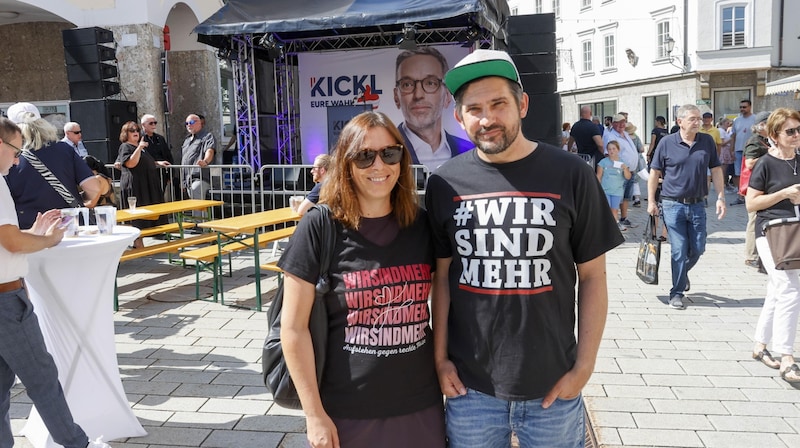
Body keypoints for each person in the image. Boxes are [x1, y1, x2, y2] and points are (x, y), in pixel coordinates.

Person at [426, 49, 623, 447]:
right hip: (471, 390)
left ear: (523, 104)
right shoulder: (444, 184)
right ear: (460, 118)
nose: (487, 119)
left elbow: (593, 276)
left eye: (498, 104)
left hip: (552, 386)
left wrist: (584, 366)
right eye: (474, 109)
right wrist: (440, 357)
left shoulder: (572, 175)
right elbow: (442, 278)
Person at [279, 111, 444, 448]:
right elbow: (292, 328)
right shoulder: (319, 227)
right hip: (346, 411)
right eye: (364, 156)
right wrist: (314, 415)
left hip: (420, 405)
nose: (379, 165)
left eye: (390, 153)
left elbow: (444, 300)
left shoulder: (422, 225)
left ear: (402, 158)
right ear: (346, 164)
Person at [0, 117, 112, 448]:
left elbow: (9, 238)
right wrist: (45, 240)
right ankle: (79, 444)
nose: (19, 160)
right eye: (16, 151)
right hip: (6, 301)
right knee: (43, 379)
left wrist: (31, 235)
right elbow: (11, 243)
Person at [647, 104, 727, 310]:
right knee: (679, 249)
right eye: (693, 119)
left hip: (698, 204)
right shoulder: (666, 143)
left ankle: (682, 274)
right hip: (672, 204)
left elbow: (716, 169)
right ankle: (676, 292)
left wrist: (720, 196)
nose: (697, 122)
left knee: (699, 247)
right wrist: (651, 202)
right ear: (679, 121)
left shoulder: (706, 141)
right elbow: (654, 174)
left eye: (699, 119)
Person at [745, 107, 800, 384]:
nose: (796, 135)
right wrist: (784, 194)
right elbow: (751, 204)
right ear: (775, 135)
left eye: (799, 130)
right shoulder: (765, 163)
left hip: (795, 233)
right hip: (770, 233)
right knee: (790, 288)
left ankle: (760, 344)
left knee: (778, 290)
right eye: (790, 131)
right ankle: (787, 356)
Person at [4, 103, 101, 230]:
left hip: (31, 233)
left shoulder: (9, 157)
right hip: (71, 226)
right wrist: (77, 201)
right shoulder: (64, 149)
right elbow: (94, 189)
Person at [393, 47, 473, 173]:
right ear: (396, 97)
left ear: (447, 96)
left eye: (430, 83)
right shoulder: (386, 153)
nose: (418, 94)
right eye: (407, 84)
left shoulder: (470, 152)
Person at [116, 121, 168, 248]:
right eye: (132, 131)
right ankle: (138, 243)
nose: (135, 133)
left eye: (137, 130)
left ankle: (142, 242)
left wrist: (157, 163)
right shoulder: (126, 147)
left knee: (148, 212)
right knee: (136, 215)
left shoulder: (140, 147)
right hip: (135, 186)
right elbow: (131, 163)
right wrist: (139, 148)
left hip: (147, 184)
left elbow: (143, 161)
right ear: (125, 133)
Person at [742, 111, 771, 271]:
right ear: (761, 125)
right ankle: (750, 256)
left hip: (766, 186)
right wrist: (770, 156)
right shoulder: (755, 141)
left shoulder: (767, 141)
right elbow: (749, 163)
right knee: (753, 221)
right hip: (755, 187)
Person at [603, 114, 639, 227]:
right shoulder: (611, 136)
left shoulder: (626, 134)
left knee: (626, 197)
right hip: (620, 172)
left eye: (623, 122)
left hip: (629, 171)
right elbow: (608, 155)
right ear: (613, 124)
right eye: (618, 122)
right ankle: (614, 221)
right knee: (617, 197)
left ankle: (624, 218)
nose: (621, 125)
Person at [597, 140, 632, 231]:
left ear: (618, 150)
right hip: (605, 189)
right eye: (609, 149)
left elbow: (628, 177)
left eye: (614, 149)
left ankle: (614, 226)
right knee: (607, 209)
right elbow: (599, 176)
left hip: (617, 190)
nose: (611, 151)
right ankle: (609, 226)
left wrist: (625, 169)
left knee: (615, 209)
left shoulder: (622, 162)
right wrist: (598, 188)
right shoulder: (603, 162)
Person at [180, 113, 215, 201]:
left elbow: (210, 150)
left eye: (191, 122)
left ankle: (200, 215)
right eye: (186, 123)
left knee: (197, 203)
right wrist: (183, 181)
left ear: (199, 123)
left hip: (199, 178)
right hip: (187, 180)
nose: (188, 125)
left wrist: (205, 161)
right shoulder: (187, 140)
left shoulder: (207, 136)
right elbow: (184, 160)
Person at [730, 99, 756, 205]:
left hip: (752, 151)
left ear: (750, 107)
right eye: (741, 107)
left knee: (752, 173)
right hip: (738, 150)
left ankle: (751, 194)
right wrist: (732, 149)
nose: (742, 109)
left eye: (744, 107)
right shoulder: (737, 120)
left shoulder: (755, 119)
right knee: (737, 174)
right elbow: (733, 135)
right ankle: (740, 195)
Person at [717, 117, 735, 190]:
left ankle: (725, 183)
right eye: (727, 123)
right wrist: (731, 139)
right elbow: (721, 143)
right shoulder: (721, 131)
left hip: (726, 150)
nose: (728, 125)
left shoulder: (724, 131)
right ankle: (723, 184)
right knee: (723, 169)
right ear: (723, 123)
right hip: (724, 150)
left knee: (725, 168)